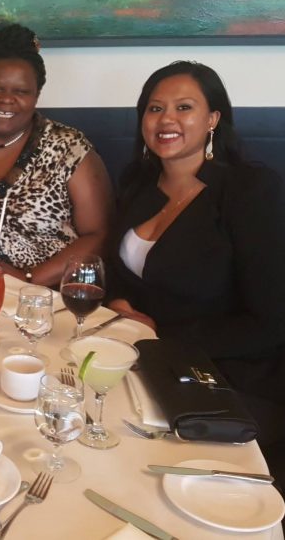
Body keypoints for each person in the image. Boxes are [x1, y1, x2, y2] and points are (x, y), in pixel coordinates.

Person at [106, 61, 285, 488]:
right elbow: (120, 273)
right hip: (148, 363)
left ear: (212, 119)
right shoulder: (137, 183)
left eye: (183, 107)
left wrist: (166, 338)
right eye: (154, 108)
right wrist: (117, 303)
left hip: (231, 380)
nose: (166, 119)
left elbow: (272, 321)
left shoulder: (249, 191)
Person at [0, 24, 112, 286]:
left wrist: (27, 280)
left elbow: (98, 235)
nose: (6, 99)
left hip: (48, 298)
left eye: (21, 91)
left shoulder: (70, 148)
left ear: (36, 96)